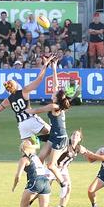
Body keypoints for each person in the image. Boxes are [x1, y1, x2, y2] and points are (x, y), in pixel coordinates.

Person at [25, 58, 72, 195]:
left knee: (51, 165)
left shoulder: (53, 106)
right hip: (53, 136)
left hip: (60, 138)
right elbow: (56, 85)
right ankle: (41, 179)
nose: (52, 91)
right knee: (39, 159)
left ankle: (63, 184)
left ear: (56, 98)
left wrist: (28, 111)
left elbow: (38, 110)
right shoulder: (58, 103)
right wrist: (55, 68)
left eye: (54, 93)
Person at [0, 57, 52, 141]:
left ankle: (35, 140)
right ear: (15, 85)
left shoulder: (8, 100)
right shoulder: (24, 91)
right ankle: (37, 139)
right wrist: (45, 64)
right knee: (52, 133)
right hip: (31, 119)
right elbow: (39, 78)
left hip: (22, 124)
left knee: (28, 149)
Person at [13, 139, 57, 207]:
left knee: (24, 206)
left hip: (35, 182)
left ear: (23, 149)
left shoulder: (24, 159)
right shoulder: (36, 158)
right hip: (45, 182)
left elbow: (18, 176)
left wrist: (14, 186)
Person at [45, 130, 86, 207]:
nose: (75, 136)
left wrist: (94, 157)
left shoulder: (79, 148)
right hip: (53, 168)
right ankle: (29, 203)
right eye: (73, 134)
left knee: (68, 187)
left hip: (63, 170)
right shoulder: (66, 145)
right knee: (44, 189)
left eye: (77, 135)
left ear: (80, 139)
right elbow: (55, 153)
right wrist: (55, 163)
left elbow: (87, 153)